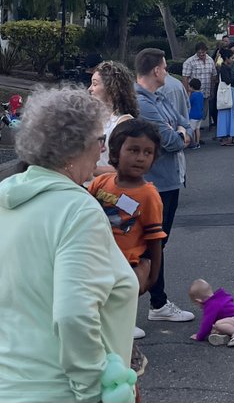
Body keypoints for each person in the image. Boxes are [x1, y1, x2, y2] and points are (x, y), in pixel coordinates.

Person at [0, 88, 137, 403]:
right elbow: (74, 315)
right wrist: (92, 391)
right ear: (76, 146)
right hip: (46, 388)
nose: (103, 149)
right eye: (99, 139)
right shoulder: (77, 210)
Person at [90, 119, 166, 343]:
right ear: (115, 152)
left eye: (148, 152)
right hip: (95, 262)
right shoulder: (101, 183)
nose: (141, 157)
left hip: (125, 268)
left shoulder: (149, 195)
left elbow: (155, 239)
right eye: (133, 150)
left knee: (116, 322)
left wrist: (152, 277)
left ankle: (123, 350)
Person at [133, 48, 194, 325]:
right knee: (147, 246)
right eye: (165, 67)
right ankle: (145, 304)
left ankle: (158, 302)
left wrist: (181, 133)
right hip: (154, 183)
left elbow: (184, 125)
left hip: (169, 180)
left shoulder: (159, 97)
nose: (167, 72)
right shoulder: (142, 103)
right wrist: (180, 134)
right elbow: (171, 141)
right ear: (156, 70)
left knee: (158, 244)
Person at [88, 59, 140, 174]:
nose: (90, 89)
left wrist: (88, 170)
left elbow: (128, 167)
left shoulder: (123, 123)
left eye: (95, 84)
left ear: (111, 88)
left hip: (108, 185)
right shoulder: (95, 118)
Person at [188, 279, 234, 347]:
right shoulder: (219, 298)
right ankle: (226, 337)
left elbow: (207, 323)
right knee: (215, 328)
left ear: (198, 301)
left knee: (218, 324)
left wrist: (199, 336)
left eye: (196, 304)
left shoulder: (212, 305)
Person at [183, 41, 217, 129]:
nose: (201, 54)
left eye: (203, 52)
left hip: (206, 91)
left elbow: (213, 75)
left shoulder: (210, 60)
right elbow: (185, 78)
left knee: (203, 112)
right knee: (193, 113)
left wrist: (212, 90)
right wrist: (186, 93)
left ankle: (198, 128)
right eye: (199, 52)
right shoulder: (189, 62)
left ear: (206, 51)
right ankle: (194, 130)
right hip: (194, 93)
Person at [215, 46, 234, 145]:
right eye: (232, 58)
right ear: (227, 58)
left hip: (226, 93)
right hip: (228, 93)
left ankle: (227, 136)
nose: (233, 60)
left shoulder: (223, 67)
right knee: (229, 114)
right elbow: (228, 80)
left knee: (225, 115)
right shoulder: (225, 68)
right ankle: (227, 137)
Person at [188, 77, 205, 147]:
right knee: (197, 129)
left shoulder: (193, 95)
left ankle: (193, 143)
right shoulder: (201, 94)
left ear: (192, 87)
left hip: (193, 115)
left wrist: (189, 94)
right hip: (200, 114)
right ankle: (197, 142)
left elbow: (189, 103)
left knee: (192, 130)